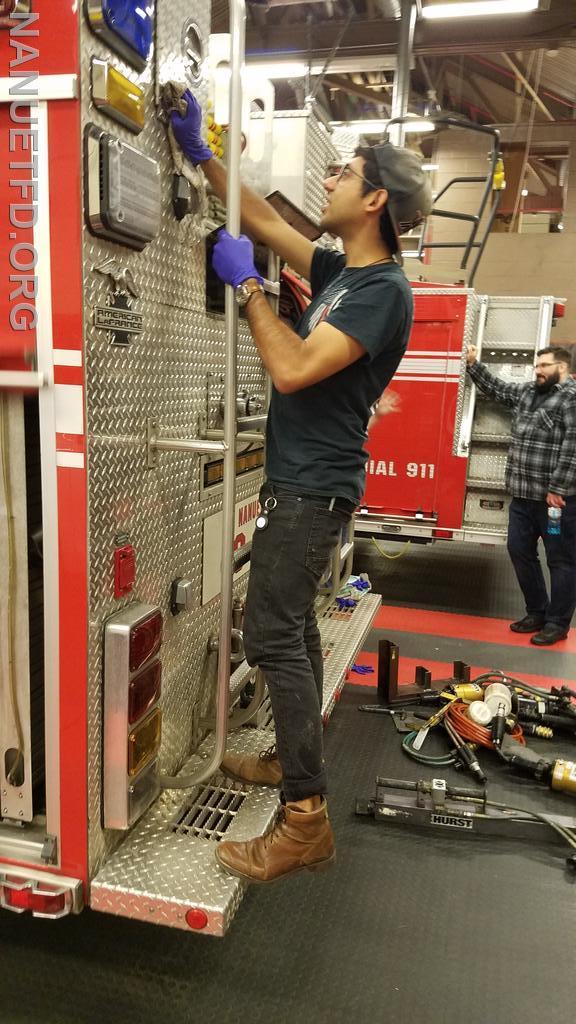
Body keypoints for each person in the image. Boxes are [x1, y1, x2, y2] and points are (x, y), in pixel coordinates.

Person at [171, 91, 431, 884]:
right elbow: (261, 219)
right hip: (302, 483)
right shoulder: (339, 271)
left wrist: (249, 289)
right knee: (298, 634)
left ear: (376, 199)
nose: (329, 178)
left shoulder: (384, 291)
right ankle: (292, 761)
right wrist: (205, 154)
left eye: (345, 172)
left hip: (315, 488)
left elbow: (289, 370)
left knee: (275, 634)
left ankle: (305, 821)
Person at [467, 344, 576, 646]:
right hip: (523, 497)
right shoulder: (528, 393)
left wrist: (558, 488)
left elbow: (573, 448)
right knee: (518, 549)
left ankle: (557, 623)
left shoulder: (571, 399)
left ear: (562, 368)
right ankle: (537, 611)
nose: (538, 370)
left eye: (545, 365)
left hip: (555, 502)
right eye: (537, 365)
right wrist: (474, 364)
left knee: (561, 561)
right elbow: (498, 390)